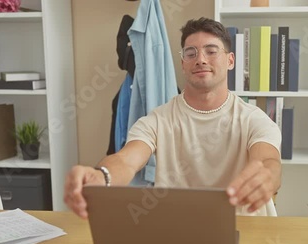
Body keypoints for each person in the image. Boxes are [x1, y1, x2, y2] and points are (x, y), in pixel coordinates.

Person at [64, 17, 282, 219]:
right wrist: (102, 176)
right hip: (178, 232)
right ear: (183, 63)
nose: (200, 60)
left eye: (211, 51)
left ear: (230, 60)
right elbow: (126, 160)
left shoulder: (254, 119)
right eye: (191, 53)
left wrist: (267, 177)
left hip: (246, 230)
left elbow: (267, 161)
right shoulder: (158, 119)